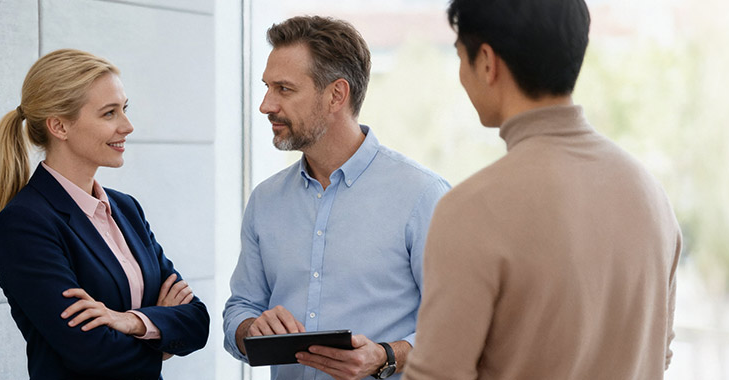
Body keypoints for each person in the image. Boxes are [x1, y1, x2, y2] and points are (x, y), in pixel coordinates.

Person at [405, 0, 684, 378]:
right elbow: (656, 356)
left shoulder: (470, 209)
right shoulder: (651, 195)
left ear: (487, 62)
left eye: (459, 56)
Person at [223, 16, 451, 380]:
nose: (266, 104)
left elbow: (457, 326)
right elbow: (241, 307)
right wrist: (250, 328)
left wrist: (385, 356)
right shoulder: (265, 201)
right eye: (267, 87)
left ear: (336, 95)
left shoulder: (422, 195)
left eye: (284, 89)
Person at [0, 48, 210, 379]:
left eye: (124, 109)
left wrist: (130, 321)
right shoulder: (25, 223)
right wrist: (160, 335)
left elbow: (196, 321)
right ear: (59, 126)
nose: (128, 126)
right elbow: (92, 353)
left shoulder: (126, 209)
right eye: (109, 113)